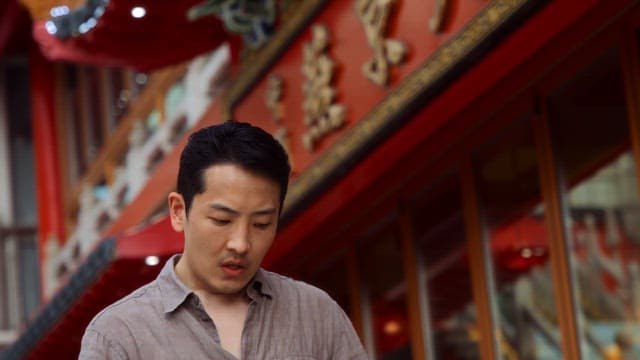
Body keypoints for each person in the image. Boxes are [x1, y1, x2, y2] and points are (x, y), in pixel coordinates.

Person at [79, 121, 368, 359]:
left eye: (261, 223)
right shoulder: (119, 335)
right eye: (222, 221)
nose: (241, 244)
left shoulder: (314, 313)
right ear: (179, 212)